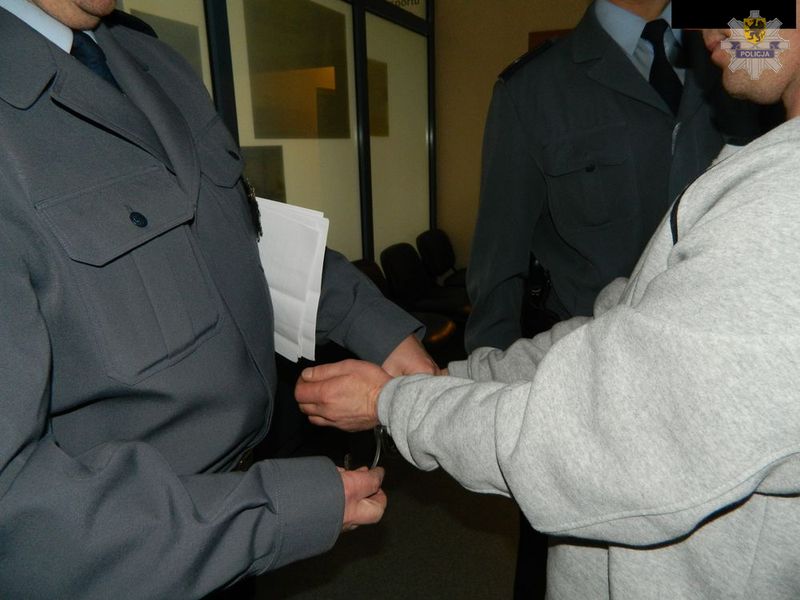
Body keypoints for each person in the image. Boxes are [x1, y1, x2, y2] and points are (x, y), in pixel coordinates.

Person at [295, 8, 800, 598]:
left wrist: (392, 402)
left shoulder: (782, 201)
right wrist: (451, 382)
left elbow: (605, 442)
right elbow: (615, 319)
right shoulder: (539, 87)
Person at [0, 0, 440, 598]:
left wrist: (372, 325)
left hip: (241, 505)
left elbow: (231, 230)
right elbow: (19, 514)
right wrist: (272, 514)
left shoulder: (146, 58)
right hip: (139, 558)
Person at [464, 2, 776, 593]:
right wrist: (493, 414)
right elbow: (497, 268)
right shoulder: (534, 90)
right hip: (583, 392)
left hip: (720, 389)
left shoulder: (744, 56)